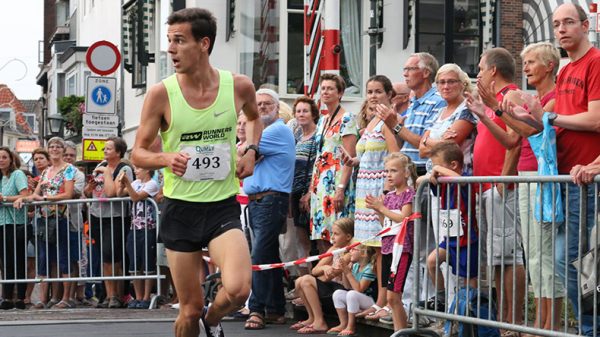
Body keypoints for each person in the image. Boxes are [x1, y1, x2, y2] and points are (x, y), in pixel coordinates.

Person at [130, 8, 260, 337]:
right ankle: (199, 317)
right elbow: (138, 153)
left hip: (221, 206)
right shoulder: (162, 93)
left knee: (238, 289)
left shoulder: (239, 86)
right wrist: (166, 158)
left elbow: (255, 117)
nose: (171, 49)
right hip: (180, 209)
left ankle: (212, 320)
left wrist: (252, 151)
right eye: (169, 41)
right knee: (187, 311)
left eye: (179, 41)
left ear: (204, 44)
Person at [505, 4, 600, 335]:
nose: (561, 29)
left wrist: (549, 117)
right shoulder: (566, 71)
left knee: (570, 259)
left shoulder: (595, 63)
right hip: (565, 179)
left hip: (585, 180)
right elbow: (543, 131)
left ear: (585, 25)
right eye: (557, 24)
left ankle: (589, 328)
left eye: (569, 22)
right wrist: (505, 111)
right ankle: (588, 326)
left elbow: (596, 119)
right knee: (568, 261)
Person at [466, 47, 526, 329]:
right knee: (498, 259)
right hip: (487, 187)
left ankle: (511, 324)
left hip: (500, 186)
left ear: (493, 70)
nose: (477, 73)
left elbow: (515, 140)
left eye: (480, 68)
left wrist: (503, 179)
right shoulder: (492, 100)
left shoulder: (511, 95)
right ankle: (505, 324)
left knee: (508, 256)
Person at [242, 88, 295, 329]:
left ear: (277, 108)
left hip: (270, 199)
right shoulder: (262, 133)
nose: (262, 107)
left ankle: (257, 309)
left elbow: (242, 155)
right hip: (259, 200)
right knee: (269, 254)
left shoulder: (276, 130)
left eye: (266, 104)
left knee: (260, 255)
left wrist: (245, 148)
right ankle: (275, 308)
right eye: (258, 104)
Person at [350, 75, 400, 321]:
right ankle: (379, 299)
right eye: (369, 91)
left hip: (379, 188)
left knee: (383, 248)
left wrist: (387, 191)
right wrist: (354, 161)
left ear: (389, 95)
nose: (372, 96)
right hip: (364, 190)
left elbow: (395, 155)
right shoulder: (371, 122)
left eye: (378, 91)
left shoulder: (387, 122)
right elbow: (369, 154)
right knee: (372, 248)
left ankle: (383, 301)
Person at [421, 142, 479, 334]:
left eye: (438, 166)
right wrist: (433, 176)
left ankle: (469, 319)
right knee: (432, 261)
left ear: (453, 165)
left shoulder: (463, 179)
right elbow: (425, 184)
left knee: (468, 280)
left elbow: (462, 181)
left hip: (466, 239)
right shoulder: (444, 181)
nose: (436, 172)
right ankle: (441, 298)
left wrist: (439, 170)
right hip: (450, 237)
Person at [15, 137, 77, 309]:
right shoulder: (45, 172)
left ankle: (65, 297)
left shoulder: (69, 169)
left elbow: (68, 194)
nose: (55, 149)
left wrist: (45, 198)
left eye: (58, 146)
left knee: (63, 258)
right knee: (43, 259)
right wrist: (22, 199)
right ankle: (42, 299)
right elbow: (34, 194)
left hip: (61, 218)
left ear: (63, 150)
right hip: (43, 219)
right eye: (52, 146)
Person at [365, 152, 418, 331]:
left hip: (401, 249)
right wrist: (379, 211)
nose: (389, 174)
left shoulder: (408, 194)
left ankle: (401, 332)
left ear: (406, 173)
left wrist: (381, 208)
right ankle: (399, 332)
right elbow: (386, 225)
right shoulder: (389, 196)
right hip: (388, 248)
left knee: (394, 296)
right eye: (387, 171)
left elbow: (403, 217)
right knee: (391, 298)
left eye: (394, 170)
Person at [309, 74, 358, 250]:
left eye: (330, 88)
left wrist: (340, 189)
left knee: (337, 234)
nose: (326, 92)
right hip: (320, 183)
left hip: (336, 181)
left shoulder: (347, 119)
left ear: (340, 93)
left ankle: (340, 275)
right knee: (322, 233)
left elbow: (349, 156)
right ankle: (327, 276)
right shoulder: (322, 120)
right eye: (323, 88)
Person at [84, 137, 134, 309]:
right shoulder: (100, 166)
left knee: (113, 255)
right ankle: (108, 294)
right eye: (104, 148)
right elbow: (88, 192)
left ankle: (117, 295)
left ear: (118, 152)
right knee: (104, 258)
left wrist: (106, 173)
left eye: (109, 149)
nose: (105, 151)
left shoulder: (124, 168)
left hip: (115, 217)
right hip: (97, 215)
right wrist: (88, 188)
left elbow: (112, 193)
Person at [376, 52, 447, 173]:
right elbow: (402, 144)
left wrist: (396, 126)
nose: (405, 74)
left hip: (424, 172)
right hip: (409, 171)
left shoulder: (438, 101)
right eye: (405, 69)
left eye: (410, 69)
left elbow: (426, 145)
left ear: (426, 73)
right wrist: (393, 128)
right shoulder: (413, 102)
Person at [288, 218, 354, 334]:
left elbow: (332, 274)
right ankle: (312, 318)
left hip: (343, 293)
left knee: (306, 281)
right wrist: (324, 268)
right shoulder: (334, 249)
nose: (332, 237)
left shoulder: (350, 252)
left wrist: (319, 278)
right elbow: (314, 270)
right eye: (332, 233)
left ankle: (320, 322)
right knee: (299, 281)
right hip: (332, 291)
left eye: (336, 234)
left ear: (348, 237)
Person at [418, 64, 477, 176]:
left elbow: (448, 149)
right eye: (441, 82)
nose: (446, 86)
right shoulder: (438, 112)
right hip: (435, 178)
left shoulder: (466, 110)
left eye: (451, 81)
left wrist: (427, 141)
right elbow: (421, 151)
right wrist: (440, 141)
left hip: (458, 180)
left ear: (462, 84)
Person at [116, 166, 159, 309]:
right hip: (134, 227)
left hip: (148, 228)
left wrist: (128, 183)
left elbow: (136, 197)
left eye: (138, 168)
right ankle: (138, 296)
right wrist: (122, 184)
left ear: (147, 170)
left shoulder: (152, 184)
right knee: (134, 264)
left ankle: (147, 297)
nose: (135, 171)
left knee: (147, 263)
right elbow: (120, 194)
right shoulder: (135, 183)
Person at [289, 96, 319, 276]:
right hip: (295, 190)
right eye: (298, 111)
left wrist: (309, 193)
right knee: (301, 240)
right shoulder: (297, 136)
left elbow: (317, 166)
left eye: (305, 111)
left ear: (313, 114)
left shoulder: (317, 136)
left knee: (313, 240)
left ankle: (316, 283)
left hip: (310, 192)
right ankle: (303, 282)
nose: (301, 114)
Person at [0, 147, 29, 310]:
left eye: (4, 157)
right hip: (1, 223)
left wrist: (4, 198)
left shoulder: (17, 174)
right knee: (5, 262)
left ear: (11, 159)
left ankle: (20, 297)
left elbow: (25, 195)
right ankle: (6, 297)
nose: (1, 160)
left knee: (18, 260)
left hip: (16, 223)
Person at [329, 245, 377, 336]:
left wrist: (348, 272)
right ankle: (343, 324)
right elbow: (347, 286)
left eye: (353, 249)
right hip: (359, 299)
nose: (350, 251)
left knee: (352, 294)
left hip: (371, 302)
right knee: (337, 293)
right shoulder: (355, 266)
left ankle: (351, 326)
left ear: (363, 253)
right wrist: (344, 271)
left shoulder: (370, 268)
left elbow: (359, 289)